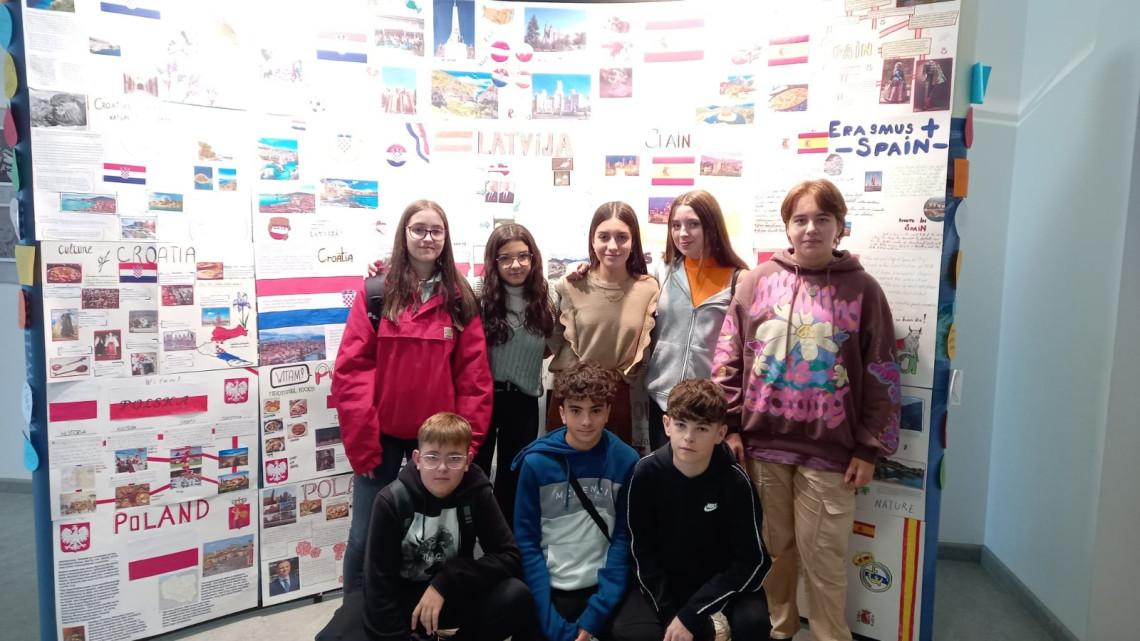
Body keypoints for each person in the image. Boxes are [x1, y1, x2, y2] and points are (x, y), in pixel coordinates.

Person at [712, 179, 901, 641]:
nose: (811, 228)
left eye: (822, 219)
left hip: (831, 453)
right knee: (773, 554)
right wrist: (730, 428)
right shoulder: (756, 281)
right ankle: (780, 631)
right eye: (801, 219)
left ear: (840, 226)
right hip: (762, 447)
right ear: (787, 227)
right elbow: (727, 357)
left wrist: (869, 448)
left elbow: (882, 372)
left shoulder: (863, 289)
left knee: (825, 561)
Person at [332, 198, 493, 594]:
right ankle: (355, 612)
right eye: (418, 229)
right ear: (403, 234)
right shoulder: (376, 293)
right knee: (365, 534)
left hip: (439, 444)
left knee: (437, 534)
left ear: (446, 238)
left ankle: (432, 608)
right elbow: (352, 374)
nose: (427, 237)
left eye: (436, 230)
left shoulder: (460, 298)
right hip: (381, 441)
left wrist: (466, 446)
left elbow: (474, 379)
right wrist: (362, 445)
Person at [316, 413, 537, 641]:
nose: (442, 467)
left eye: (454, 458)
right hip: (400, 596)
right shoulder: (390, 501)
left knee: (515, 595)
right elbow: (379, 584)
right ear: (417, 459)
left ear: (468, 461)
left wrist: (447, 581)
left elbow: (508, 556)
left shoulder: (477, 493)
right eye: (432, 457)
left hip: (449, 592)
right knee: (334, 636)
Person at [620, 378, 772, 641]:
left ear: (720, 434)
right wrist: (672, 616)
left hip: (721, 584)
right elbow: (640, 554)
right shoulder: (644, 474)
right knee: (640, 633)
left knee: (754, 622)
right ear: (666, 425)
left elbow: (752, 561)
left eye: (702, 428)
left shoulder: (736, 481)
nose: (689, 437)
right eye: (681, 425)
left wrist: (692, 614)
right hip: (667, 583)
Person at [511, 361, 641, 641]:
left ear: (608, 412)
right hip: (549, 587)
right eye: (576, 410)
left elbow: (622, 539)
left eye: (596, 410)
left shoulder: (626, 460)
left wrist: (595, 615)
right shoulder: (536, 463)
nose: (586, 422)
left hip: (603, 587)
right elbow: (527, 543)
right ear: (562, 413)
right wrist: (551, 624)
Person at [644, 190, 750, 451]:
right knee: (663, 474)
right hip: (663, 401)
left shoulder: (739, 279)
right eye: (676, 225)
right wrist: (581, 268)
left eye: (693, 224)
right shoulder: (661, 271)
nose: (683, 233)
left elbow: (746, 351)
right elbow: (619, 280)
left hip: (711, 406)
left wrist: (733, 421)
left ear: (711, 225)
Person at [547, 202, 659, 446]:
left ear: (634, 241)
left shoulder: (649, 288)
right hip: (571, 394)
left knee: (613, 467)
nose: (613, 246)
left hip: (616, 397)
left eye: (622, 237)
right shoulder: (571, 284)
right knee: (559, 466)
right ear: (592, 240)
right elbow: (553, 341)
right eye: (604, 237)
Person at [472, 224, 556, 528]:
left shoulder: (548, 295)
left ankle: (504, 545)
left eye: (523, 256)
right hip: (483, 400)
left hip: (524, 402)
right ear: (493, 261)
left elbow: (551, 345)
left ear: (533, 258)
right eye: (505, 258)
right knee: (475, 474)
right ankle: (471, 543)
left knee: (513, 477)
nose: (515, 265)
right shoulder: (478, 294)